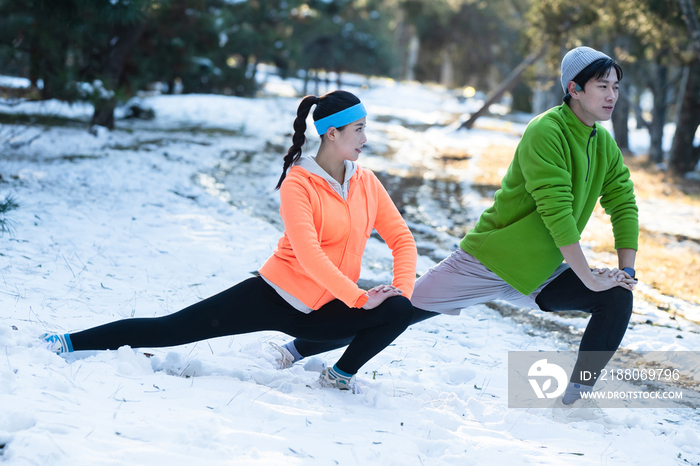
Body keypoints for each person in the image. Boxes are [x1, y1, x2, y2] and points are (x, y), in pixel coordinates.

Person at [282, 46, 639, 408]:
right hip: (486, 260)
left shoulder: (604, 145)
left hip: (539, 272)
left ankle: (574, 399)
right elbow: (557, 212)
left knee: (616, 297)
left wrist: (626, 272)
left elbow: (623, 203)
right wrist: (590, 277)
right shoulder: (547, 131)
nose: (611, 95)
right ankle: (301, 351)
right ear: (574, 89)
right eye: (601, 86)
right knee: (399, 310)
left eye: (615, 87)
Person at [41, 90, 418, 393]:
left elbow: (401, 238)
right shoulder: (299, 182)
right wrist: (360, 298)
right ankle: (67, 342)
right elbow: (308, 254)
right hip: (277, 296)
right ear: (332, 132)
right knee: (171, 329)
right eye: (359, 129)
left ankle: (338, 376)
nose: (366, 140)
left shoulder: (366, 182)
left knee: (401, 310)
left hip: (328, 308)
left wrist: (398, 291)